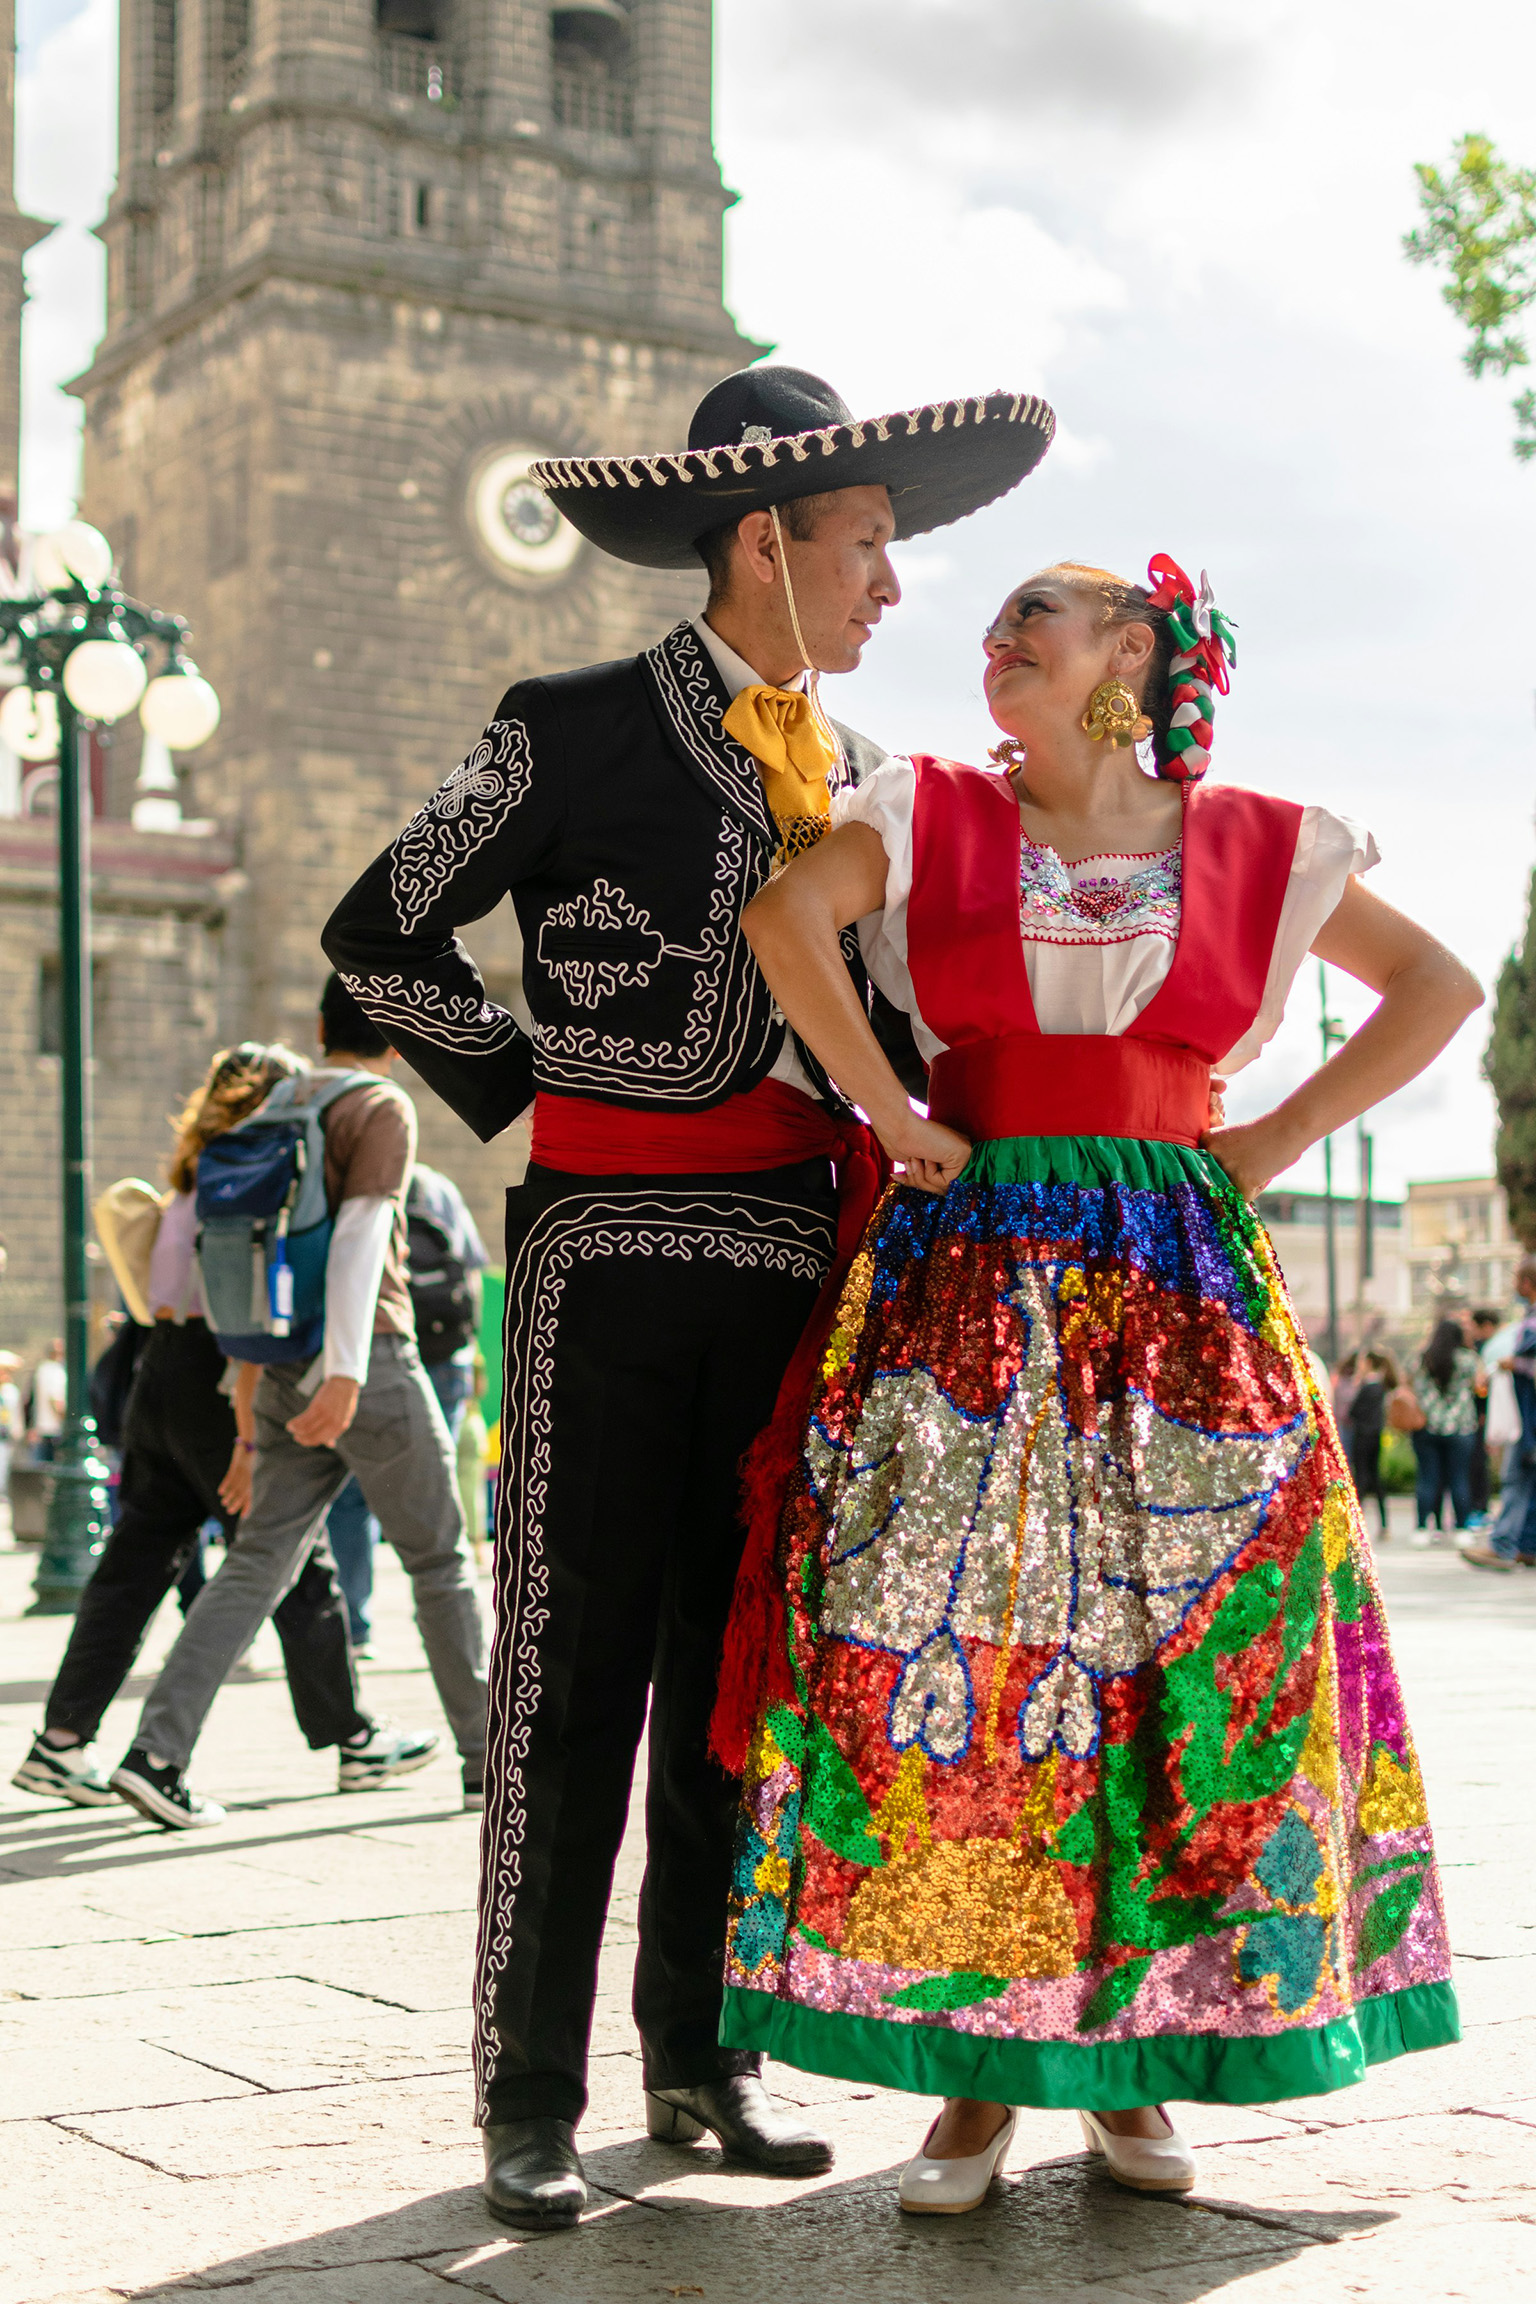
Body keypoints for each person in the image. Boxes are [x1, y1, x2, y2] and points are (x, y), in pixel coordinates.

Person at [323, 364, 1057, 2230]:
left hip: (797, 1264)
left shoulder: (875, 781)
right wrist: (523, 1082)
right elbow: (374, 931)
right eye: (869, 546)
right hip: (603, 1255)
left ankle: (699, 2059)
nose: (895, 584)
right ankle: (530, 2089)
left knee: (734, 1681)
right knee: (572, 1678)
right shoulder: (564, 725)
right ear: (766, 541)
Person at [711, 553, 1469, 2208]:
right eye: (990, 629)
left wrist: (1270, 1134)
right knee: (974, 1657)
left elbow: (1440, 985)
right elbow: (785, 921)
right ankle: (981, 2074)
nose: (991, 645)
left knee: (1185, 1669)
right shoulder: (926, 814)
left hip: (1185, 1298)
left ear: (1128, 648)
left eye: (1025, 624)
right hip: (976, 1285)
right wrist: (891, 1113)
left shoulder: (1266, 839)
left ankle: (1141, 2065)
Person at [13, 1042, 431, 1812]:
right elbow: (240, 1317)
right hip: (215, 1379)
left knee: (135, 1564)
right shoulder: (260, 1172)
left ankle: (59, 1743)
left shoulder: (193, 1171)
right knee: (287, 1559)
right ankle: (351, 1740)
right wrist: (244, 1435)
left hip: (155, 1375)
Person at [109, 979, 488, 1828]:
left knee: (254, 1564)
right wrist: (347, 1373)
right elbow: (358, 1240)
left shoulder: (274, 1105)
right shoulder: (380, 1104)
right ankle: (486, 1763)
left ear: (320, 1028)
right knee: (439, 1562)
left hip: (275, 1365)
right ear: (393, 1036)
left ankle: (155, 1754)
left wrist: (253, 1409)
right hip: (369, 1366)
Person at [323, 1160, 490, 1652]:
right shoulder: (439, 1188)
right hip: (444, 1357)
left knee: (352, 1491)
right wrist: (468, 1350)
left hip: (376, 1353)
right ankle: (447, 1629)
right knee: (438, 1490)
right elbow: (471, 1275)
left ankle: (355, 1624)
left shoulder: (354, 1185)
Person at [1463, 1258, 1536, 1572]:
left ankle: (1504, 1543)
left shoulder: (1531, 1325)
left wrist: (1515, 1365)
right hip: (1526, 1416)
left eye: (1516, 1278)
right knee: (1527, 1478)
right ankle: (1527, 1545)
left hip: (1528, 1418)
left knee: (1517, 1477)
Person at [1409, 1316, 1484, 1540]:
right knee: (1459, 1478)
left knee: (1427, 1477)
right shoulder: (1468, 1360)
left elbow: (1409, 1381)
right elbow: (1479, 1384)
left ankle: (1422, 1528)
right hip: (1461, 1427)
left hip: (1427, 1426)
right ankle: (1462, 1528)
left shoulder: (1422, 1359)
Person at [1344, 1349, 1394, 1539]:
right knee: (1376, 1478)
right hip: (1376, 1435)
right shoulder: (1381, 1386)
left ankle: (1354, 1522)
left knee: (1362, 1477)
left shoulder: (1367, 1387)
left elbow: (1353, 1412)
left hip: (1362, 1436)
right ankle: (1383, 1524)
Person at [1464, 1305, 1501, 1524]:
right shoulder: (1495, 1346)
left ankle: (1478, 1508)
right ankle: (1480, 1508)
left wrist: (1482, 1411)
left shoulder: (1481, 1349)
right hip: (1487, 1413)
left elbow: (1480, 1386)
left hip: (1480, 1414)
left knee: (1476, 1462)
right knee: (1479, 1462)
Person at [26, 1338, 66, 1461]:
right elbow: (55, 1401)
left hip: (41, 1430)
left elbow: (29, 1400)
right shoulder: (55, 1371)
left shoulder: (41, 1370)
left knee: (42, 1472)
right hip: (54, 1431)